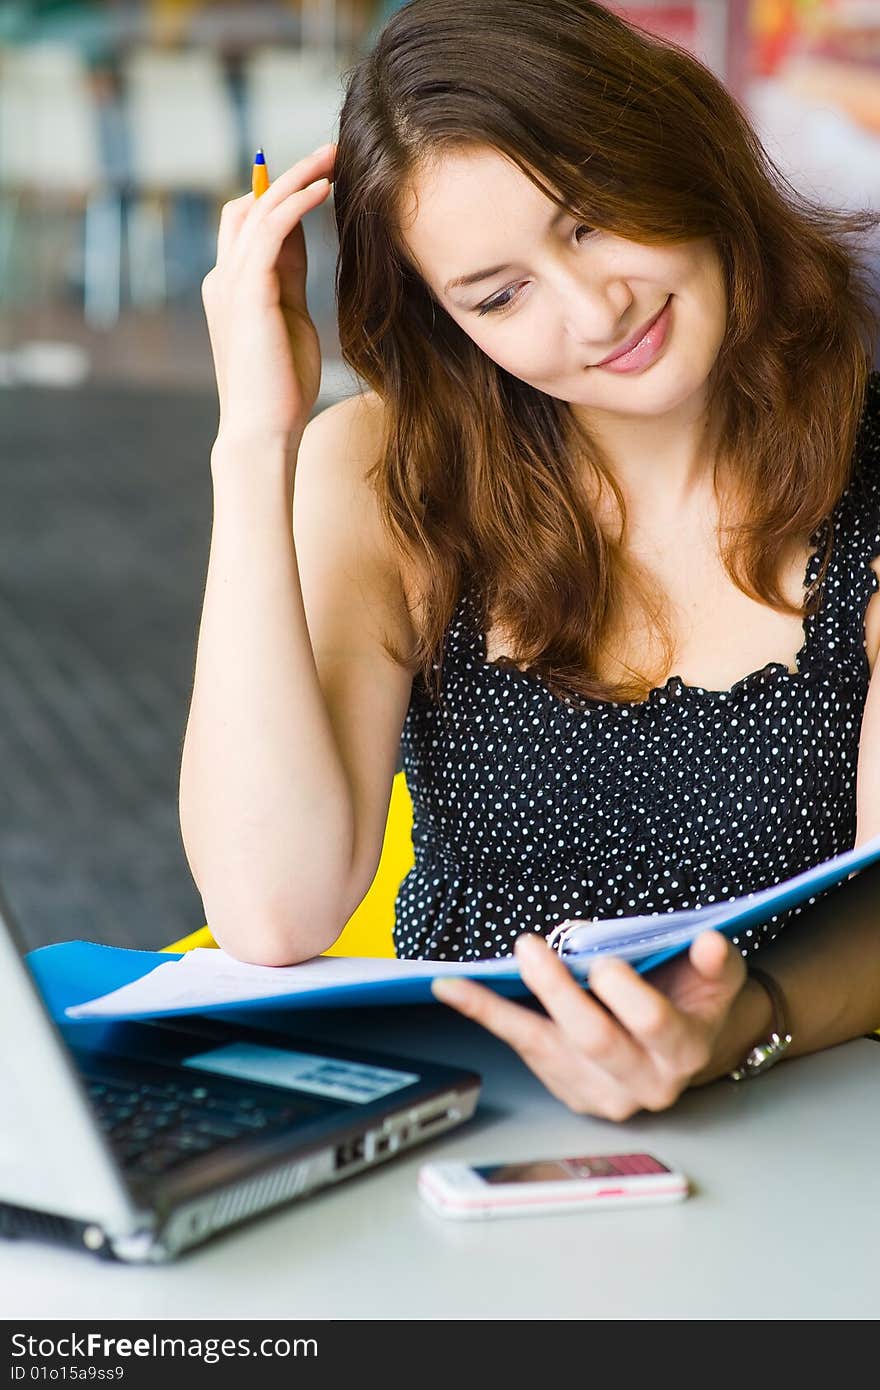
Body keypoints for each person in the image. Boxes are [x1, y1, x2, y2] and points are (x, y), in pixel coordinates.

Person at [181, 0, 880, 1120]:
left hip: (800, 1113)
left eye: (591, 219)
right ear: (448, 323)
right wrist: (253, 439)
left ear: (679, 155)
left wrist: (731, 1027)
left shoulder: (867, 477)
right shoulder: (385, 473)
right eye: (498, 295)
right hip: (459, 1130)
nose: (593, 311)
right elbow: (272, 908)